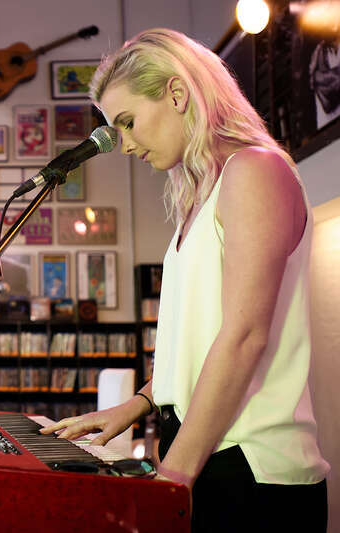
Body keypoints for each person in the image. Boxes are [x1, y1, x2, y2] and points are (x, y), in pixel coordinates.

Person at [41, 28, 329, 532]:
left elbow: (243, 337)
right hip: (206, 449)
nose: (124, 145)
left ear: (177, 94)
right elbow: (200, 339)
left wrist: (173, 475)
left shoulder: (254, 171)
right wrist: (137, 404)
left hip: (250, 467)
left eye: (128, 123)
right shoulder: (200, 197)